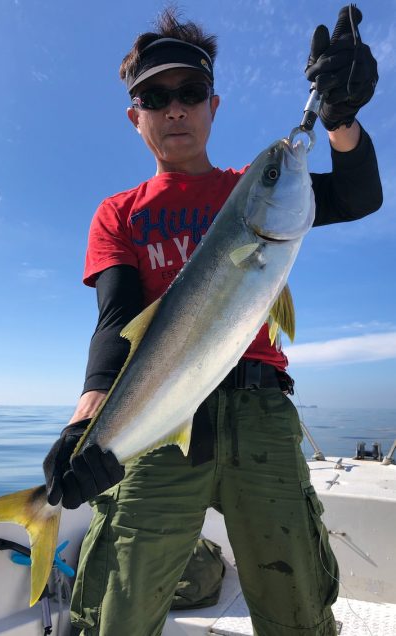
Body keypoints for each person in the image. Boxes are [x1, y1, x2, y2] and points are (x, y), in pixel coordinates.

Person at [43, 7, 382, 635]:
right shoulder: (119, 213)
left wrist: (340, 123)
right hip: (160, 417)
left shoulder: (257, 191)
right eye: (156, 96)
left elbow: (359, 196)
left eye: (190, 93)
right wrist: (83, 425)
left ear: (213, 106)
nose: (175, 108)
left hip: (261, 412)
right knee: (118, 609)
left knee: (299, 610)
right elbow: (117, 325)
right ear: (134, 115)